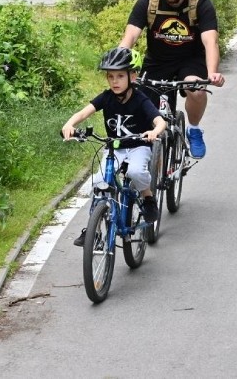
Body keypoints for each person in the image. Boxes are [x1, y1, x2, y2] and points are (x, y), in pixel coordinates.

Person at [118, 0, 225, 160]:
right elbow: (130, 36)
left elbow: (210, 41)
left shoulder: (200, 4)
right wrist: (119, 64)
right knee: (141, 112)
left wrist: (212, 73)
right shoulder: (149, 1)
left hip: (190, 61)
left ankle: (193, 129)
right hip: (157, 61)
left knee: (197, 90)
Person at [62, 47, 165, 246]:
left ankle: (147, 196)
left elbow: (160, 121)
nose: (114, 81)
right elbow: (84, 113)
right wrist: (69, 124)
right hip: (114, 148)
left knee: (135, 171)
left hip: (138, 146)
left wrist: (154, 131)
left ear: (132, 76)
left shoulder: (140, 99)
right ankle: (94, 231)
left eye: (120, 76)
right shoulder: (106, 97)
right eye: (110, 76)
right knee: (99, 181)